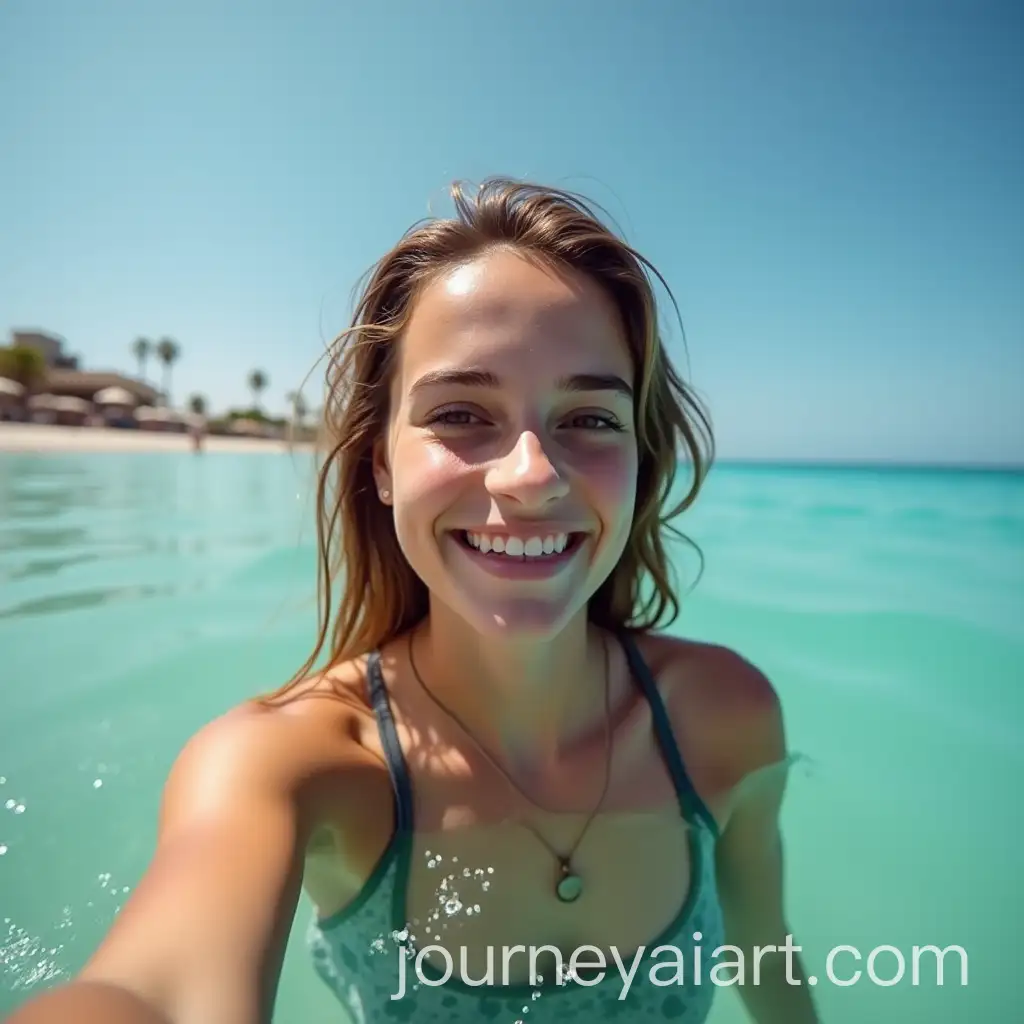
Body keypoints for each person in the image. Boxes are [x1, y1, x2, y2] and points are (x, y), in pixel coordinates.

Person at [9, 179, 819, 1024]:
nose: (533, 476)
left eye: (591, 419)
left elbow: (766, 953)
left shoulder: (726, 717)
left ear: (640, 461)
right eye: (463, 413)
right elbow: (151, 991)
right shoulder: (290, 769)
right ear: (382, 464)